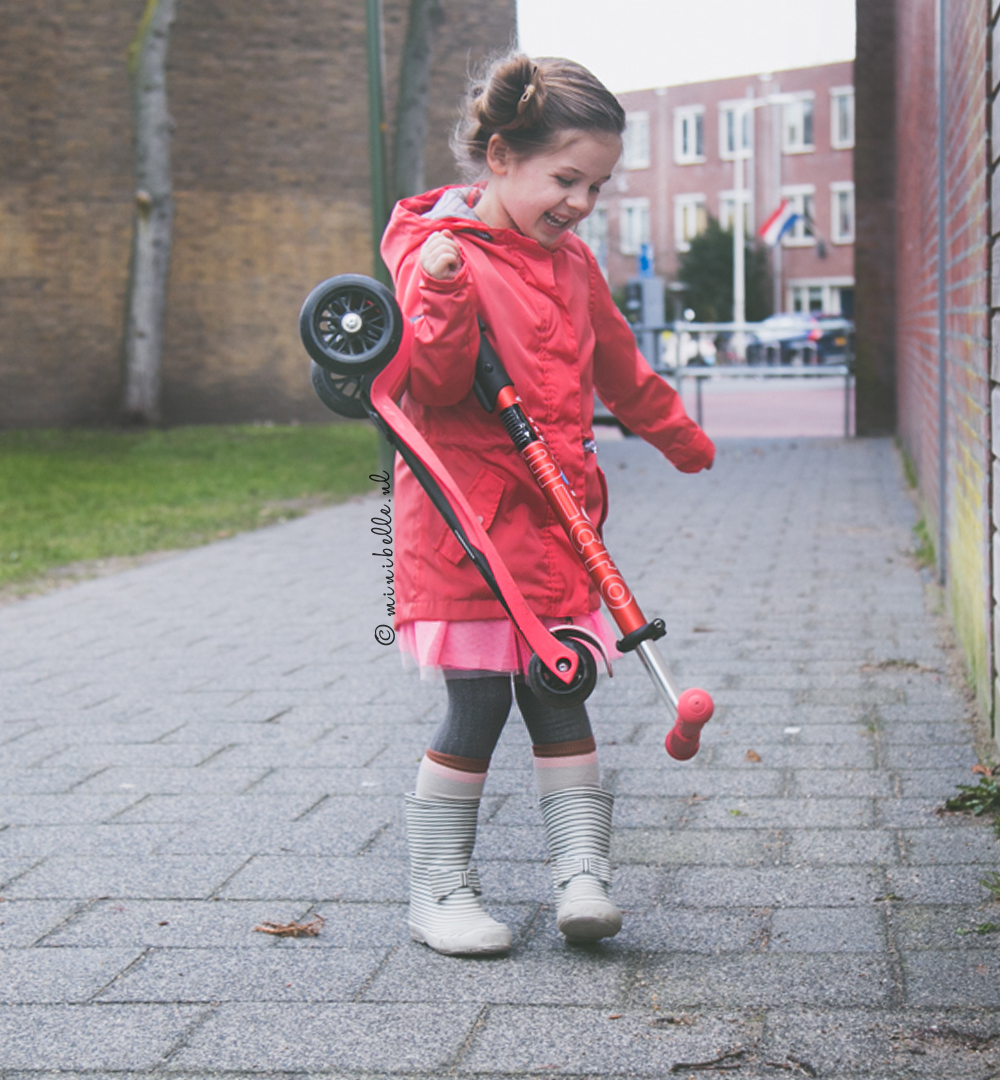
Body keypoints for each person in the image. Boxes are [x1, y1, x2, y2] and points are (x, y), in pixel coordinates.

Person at [380, 52, 715, 956]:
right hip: (468, 527)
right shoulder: (434, 252)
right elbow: (436, 383)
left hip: (562, 526)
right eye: (566, 180)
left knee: (561, 695)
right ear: (499, 156)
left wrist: (677, 433)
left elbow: (619, 363)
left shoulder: (571, 265)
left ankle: (581, 880)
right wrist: (444, 292)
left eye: (596, 187)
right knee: (481, 702)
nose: (580, 204)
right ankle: (439, 888)